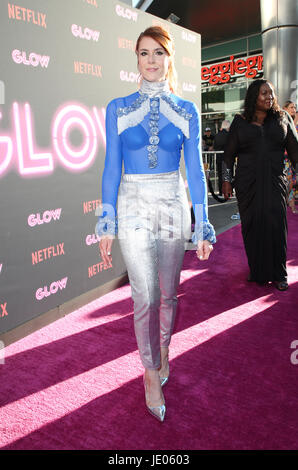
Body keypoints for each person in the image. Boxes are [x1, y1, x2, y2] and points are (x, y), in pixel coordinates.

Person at [96, 26, 215, 422]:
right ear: (136, 58)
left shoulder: (186, 110)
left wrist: (203, 223)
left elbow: (195, 170)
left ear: (169, 58)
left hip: (171, 204)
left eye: (158, 53)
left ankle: (164, 350)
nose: (151, 60)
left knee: (168, 293)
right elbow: (111, 166)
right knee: (143, 295)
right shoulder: (117, 107)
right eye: (144, 53)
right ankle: (150, 370)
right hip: (131, 203)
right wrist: (107, 220)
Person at [222, 79, 298, 291]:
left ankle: (279, 273)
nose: (269, 97)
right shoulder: (240, 122)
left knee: (276, 224)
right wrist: (227, 180)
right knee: (252, 226)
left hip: (275, 181)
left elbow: (295, 151)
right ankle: (258, 271)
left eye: (271, 93)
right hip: (247, 184)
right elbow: (228, 155)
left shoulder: (282, 118)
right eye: (264, 93)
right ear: (253, 96)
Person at [283, 101, 297, 214]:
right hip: (284, 158)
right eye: (291, 107)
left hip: (293, 159)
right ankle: (291, 205)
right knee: (289, 182)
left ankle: (291, 204)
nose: (294, 109)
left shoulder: (295, 123)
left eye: (295, 107)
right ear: (285, 109)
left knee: (292, 181)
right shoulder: (283, 122)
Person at [213, 120, 230, 195]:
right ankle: (227, 192)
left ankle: (220, 191)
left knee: (220, 175)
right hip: (227, 157)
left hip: (218, 157)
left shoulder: (217, 135)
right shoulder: (229, 135)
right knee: (227, 175)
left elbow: (215, 146)